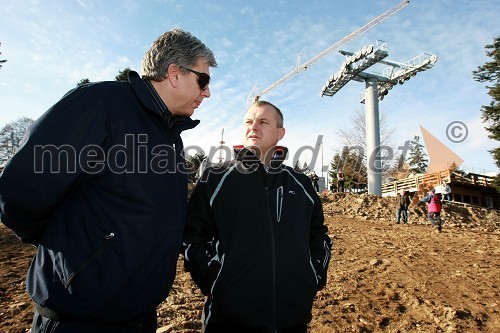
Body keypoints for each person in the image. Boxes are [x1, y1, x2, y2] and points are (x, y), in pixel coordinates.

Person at [0, 28, 217, 333]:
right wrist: (70, 246)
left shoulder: (170, 137)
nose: (207, 92)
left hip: (139, 318)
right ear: (174, 73)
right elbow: (20, 190)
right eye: (203, 80)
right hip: (79, 321)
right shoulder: (100, 106)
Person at [182, 100, 332, 333]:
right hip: (229, 321)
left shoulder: (301, 184)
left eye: (263, 122)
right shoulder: (216, 178)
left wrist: (315, 274)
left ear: (280, 133)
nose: (253, 127)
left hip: (292, 321)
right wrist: (214, 278)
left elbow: (318, 233)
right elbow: (192, 236)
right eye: (249, 122)